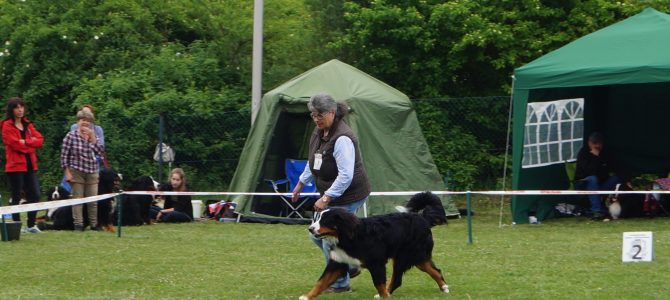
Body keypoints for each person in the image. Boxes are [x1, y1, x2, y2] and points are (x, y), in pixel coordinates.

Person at [291, 93, 371, 294]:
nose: (316, 119)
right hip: (334, 194)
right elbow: (314, 162)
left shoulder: (342, 138)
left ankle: (340, 284)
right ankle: (352, 265)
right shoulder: (318, 133)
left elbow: (346, 176)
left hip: (350, 194)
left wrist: (326, 198)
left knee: (329, 239)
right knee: (316, 237)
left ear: (332, 113)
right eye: (313, 115)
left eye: (320, 115)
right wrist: (301, 183)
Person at [1, 97, 44, 233]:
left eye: (21, 107)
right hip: (15, 166)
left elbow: (40, 140)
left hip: (30, 165)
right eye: (17, 107)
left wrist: (25, 142)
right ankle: (16, 224)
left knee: (35, 194)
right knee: (17, 195)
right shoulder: (7, 125)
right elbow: (13, 144)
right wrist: (29, 143)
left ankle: (31, 225)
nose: (20, 110)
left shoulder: (28, 124)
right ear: (12, 110)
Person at [61, 110, 104, 231]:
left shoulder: (94, 135)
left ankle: (94, 224)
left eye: (88, 121)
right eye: (82, 120)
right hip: (76, 170)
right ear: (78, 122)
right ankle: (78, 224)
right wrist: (67, 173)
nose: (85, 122)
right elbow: (64, 157)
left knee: (93, 199)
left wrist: (92, 138)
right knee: (78, 198)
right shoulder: (70, 136)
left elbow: (100, 152)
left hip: (92, 170)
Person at [575, 132, 629, 219]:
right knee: (593, 179)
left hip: (601, 184)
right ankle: (597, 210)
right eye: (594, 143)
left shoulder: (606, 153)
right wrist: (595, 157)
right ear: (589, 143)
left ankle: (612, 207)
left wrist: (627, 180)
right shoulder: (583, 153)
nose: (596, 146)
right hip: (583, 185)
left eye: (598, 143)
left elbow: (617, 168)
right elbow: (589, 172)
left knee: (616, 179)